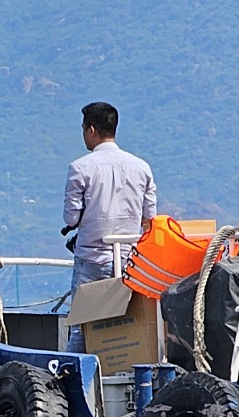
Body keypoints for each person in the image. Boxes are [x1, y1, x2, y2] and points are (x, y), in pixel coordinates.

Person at [62, 101, 156, 353]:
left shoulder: (80, 168)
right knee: (126, 327)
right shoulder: (141, 167)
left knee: (82, 327)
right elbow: (150, 218)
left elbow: (71, 218)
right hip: (130, 261)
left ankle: (71, 380)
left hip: (91, 258)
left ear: (91, 130)